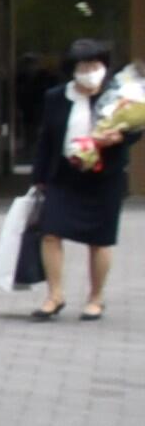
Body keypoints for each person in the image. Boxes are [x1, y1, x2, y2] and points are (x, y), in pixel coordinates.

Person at [29, 38, 127, 321]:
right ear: (72, 69)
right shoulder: (56, 97)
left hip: (103, 177)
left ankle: (96, 298)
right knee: (50, 232)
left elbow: (133, 130)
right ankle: (54, 295)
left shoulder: (117, 96)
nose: (89, 71)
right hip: (64, 175)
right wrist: (39, 177)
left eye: (95, 65)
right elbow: (46, 139)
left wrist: (119, 136)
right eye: (83, 66)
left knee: (100, 239)